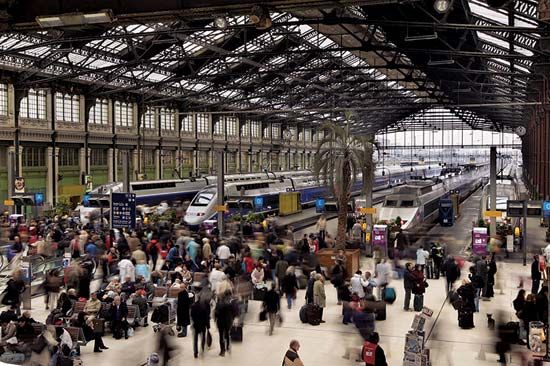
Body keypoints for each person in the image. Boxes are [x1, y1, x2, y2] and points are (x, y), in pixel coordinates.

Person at [215, 293, 234, 357]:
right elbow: (234, 312)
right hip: (228, 321)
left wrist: (216, 319)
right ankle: (228, 347)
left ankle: (222, 351)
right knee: (227, 334)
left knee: (221, 336)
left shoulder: (219, 304)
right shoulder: (230, 304)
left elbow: (216, 313)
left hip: (220, 322)